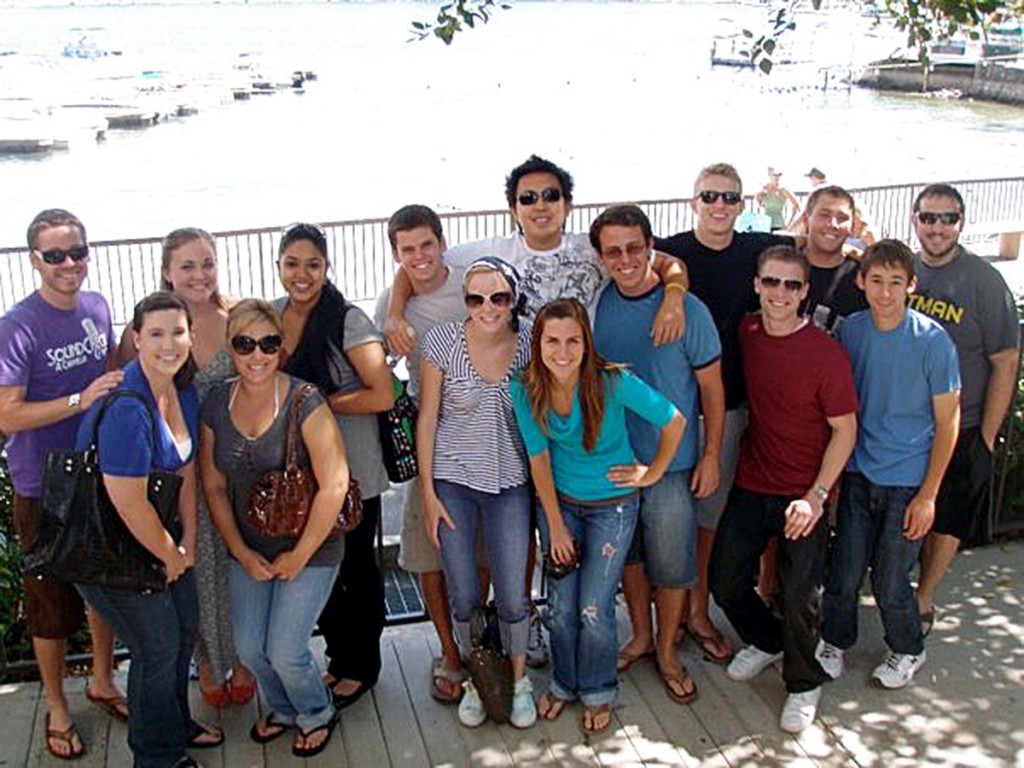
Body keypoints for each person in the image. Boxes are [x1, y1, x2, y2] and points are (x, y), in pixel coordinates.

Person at [384, 155, 690, 669]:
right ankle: (490, 648)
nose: (539, 205)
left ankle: (536, 635)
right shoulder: (488, 253)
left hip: (575, 418)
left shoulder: (592, 252)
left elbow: (663, 263)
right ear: (513, 209)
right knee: (516, 541)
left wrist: (675, 298)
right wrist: (394, 310)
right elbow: (418, 264)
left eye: (550, 195)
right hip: (511, 430)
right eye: (528, 198)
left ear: (567, 204)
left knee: (538, 539)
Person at [511, 298, 685, 734]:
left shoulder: (613, 382)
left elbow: (674, 420)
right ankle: (564, 683)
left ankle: (598, 688)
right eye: (552, 341)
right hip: (561, 506)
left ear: (587, 343)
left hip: (614, 507)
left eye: (573, 340)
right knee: (561, 609)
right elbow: (539, 461)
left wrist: (653, 473)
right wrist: (553, 524)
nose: (563, 351)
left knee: (593, 607)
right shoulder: (525, 386)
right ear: (539, 344)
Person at [709, 245, 858, 734]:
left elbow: (845, 430)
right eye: (771, 282)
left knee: (799, 596)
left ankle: (802, 682)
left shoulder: (825, 354)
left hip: (804, 493)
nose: (780, 293)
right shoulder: (749, 331)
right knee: (726, 581)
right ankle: (770, 641)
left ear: (805, 293)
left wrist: (816, 497)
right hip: (753, 481)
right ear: (757, 285)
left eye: (791, 285)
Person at [76, 291, 222, 768]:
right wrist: (170, 555)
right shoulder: (127, 407)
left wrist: (189, 540)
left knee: (183, 630)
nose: (168, 344)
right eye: (155, 334)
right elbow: (128, 501)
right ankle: (156, 757)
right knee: (156, 648)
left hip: (161, 544)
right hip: (113, 551)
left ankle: (174, 725)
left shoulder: (180, 390)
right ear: (135, 339)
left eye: (177, 332)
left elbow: (185, 471)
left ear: (190, 335)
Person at [0, 208, 127, 760]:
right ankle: (56, 703)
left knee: (105, 583)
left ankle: (102, 678)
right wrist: (78, 400)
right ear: (35, 260)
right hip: (41, 482)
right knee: (50, 598)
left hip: (100, 468)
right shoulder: (17, 327)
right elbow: (7, 416)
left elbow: (120, 368)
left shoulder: (97, 307)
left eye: (77, 252)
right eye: (55, 255)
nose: (68, 264)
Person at [654, 162, 793, 664]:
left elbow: (820, 248)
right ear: (693, 202)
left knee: (708, 517)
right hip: (668, 406)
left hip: (728, 405)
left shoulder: (758, 252)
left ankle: (696, 610)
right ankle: (662, 615)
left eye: (730, 198)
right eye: (710, 196)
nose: (719, 206)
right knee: (666, 514)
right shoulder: (669, 253)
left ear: (743, 205)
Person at [199, 299, 349, 758]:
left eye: (268, 343)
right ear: (231, 348)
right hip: (251, 549)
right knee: (248, 646)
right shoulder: (215, 402)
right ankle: (283, 708)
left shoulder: (305, 400)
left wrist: (299, 555)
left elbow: (335, 482)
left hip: (312, 547)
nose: (257, 354)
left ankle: (316, 711)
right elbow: (214, 484)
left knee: (286, 650)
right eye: (245, 343)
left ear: (280, 348)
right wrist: (241, 553)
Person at [589, 205, 724, 706]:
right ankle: (641, 636)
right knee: (633, 559)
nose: (624, 259)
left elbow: (711, 388)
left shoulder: (690, 311)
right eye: (613, 251)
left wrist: (711, 455)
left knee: (673, 564)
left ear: (651, 247)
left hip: (672, 464)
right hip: (614, 464)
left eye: (633, 247)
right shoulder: (596, 304)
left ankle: (668, 651)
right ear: (601, 257)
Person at [117, 227, 254, 708]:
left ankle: (240, 658)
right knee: (195, 572)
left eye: (207, 263)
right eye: (188, 266)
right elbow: (124, 388)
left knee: (235, 570)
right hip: (178, 475)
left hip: (235, 470)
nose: (200, 274)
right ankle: (210, 665)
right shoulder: (154, 325)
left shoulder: (237, 316)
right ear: (168, 273)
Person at [818, 240, 960, 691]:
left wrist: (929, 494)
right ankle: (833, 639)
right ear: (861, 282)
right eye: (875, 280)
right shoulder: (853, 330)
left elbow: (948, 420)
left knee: (893, 579)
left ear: (911, 286)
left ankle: (908, 648)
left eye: (895, 282)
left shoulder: (933, 341)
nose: (884, 292)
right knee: (844, 571)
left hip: (907, 480)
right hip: (860, 472)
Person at [274, 222, 393, 707]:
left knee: (357, 570)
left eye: (313, 265)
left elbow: (382, 393)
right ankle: (337, 658)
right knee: (321, 572)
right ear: (279, 266)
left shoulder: (348, 320)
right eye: (292, 264)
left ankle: (361, 666)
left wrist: (317, 402)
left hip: (354, 472)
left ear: (327, 268)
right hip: (305, 476)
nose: (302, 275)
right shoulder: (274, 315)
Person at [417, 257, 536, 729]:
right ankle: (476, 676)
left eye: (499, 297)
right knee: (464, 591)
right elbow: (427, 418)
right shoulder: (443, 342)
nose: (488, 308)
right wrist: (428, 492)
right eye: (476, 298)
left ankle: (520, 679)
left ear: (513, 298)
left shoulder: (530, 341)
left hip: (511, 481)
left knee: (513, 593)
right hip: (453, 480)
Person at [908, 183, 1020, 633]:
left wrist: (987, 436)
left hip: (963, 424)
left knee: (947, 519)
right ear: (914, 219)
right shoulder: (903, 269)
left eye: (947, 218)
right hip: (905, 426)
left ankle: (924, 597)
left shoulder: (983, 281)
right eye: (929, 217)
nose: (937, 227)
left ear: (962, 223)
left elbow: (1006, 360)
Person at [373, 204, 472, 704]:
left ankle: (485, 639)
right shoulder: (392, 303)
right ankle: (449, 651)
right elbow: (376, 368)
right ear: (396, 254)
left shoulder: (472, 279)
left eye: (426, 245)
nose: (419, 257)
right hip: (429, 435)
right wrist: (392, 318)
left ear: (442, 242)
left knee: (490, 546)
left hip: (489, 434)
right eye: (407, 249)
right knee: (428, 552)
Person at [798, 185, 869, 336]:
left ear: (852, 226)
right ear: (806, 219)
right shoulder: (778, 268)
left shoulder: (864, 278)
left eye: (842, 218)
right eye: (824, 215)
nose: (833, 224)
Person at [755, 167, 800, 232]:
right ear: (769, 175)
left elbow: (796, 205)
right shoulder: (764, 189)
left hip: (779, 225)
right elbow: (758, 201)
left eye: (779, 175)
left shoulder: (783, 190)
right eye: (775, 175)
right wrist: (761, 194)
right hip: (765, 225)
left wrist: (789, 224)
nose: (777, 177)